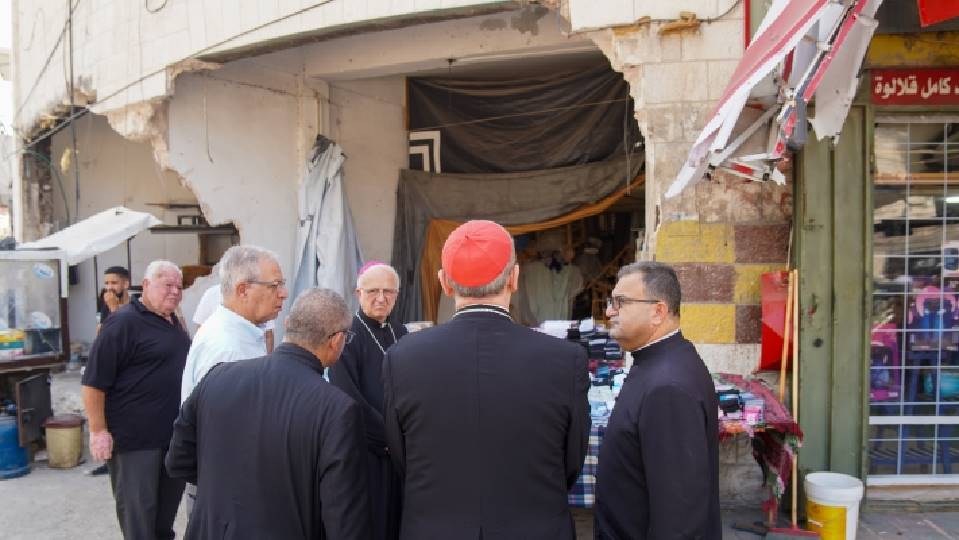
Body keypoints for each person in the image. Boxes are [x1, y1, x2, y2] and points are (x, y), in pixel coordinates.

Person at [382, 219, 590, 539]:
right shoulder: (564, 359)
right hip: (535, 527)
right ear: (514, 278)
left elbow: (401, 457)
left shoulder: (402, 358)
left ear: (445, 283)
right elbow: (571, 460)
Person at [165, 289, 371, 540]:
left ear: (288, 324)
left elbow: (178, 460)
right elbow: (344, 517)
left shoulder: (218, 376)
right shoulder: (337, 409)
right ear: (337, 341)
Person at [593, 262, 721, 540]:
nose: (609, 312)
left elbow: (679, 516)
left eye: (620, 302)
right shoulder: (656, 361)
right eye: (610, 302)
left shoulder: (668, 386)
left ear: (658, 312)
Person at [81, 260, 190, 540]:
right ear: (147, 285)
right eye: (168, 285)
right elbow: (93, 383)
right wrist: (98, 431)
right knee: (139, 521)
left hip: (170, 438)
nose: (175, 291)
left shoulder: (173, 321)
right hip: (135, 442)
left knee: (163, 523)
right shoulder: (123, 322)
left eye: (179, 287)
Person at [179, 245, 288, 511]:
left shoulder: (243, 333)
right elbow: (227, 436)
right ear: (242, 290)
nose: (283, 293)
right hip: (228, 489)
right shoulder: (228, 348)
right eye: (274, 286)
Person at [329, 261, 407, 540]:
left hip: (399, 449)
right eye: (373, 291)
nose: (381, 298)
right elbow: (347, 395)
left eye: (389, 291)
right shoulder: (347, 336)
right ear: (358, 293)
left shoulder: (401, 332)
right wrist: (388, 438)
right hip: (368, 449)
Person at [97, 266, 131, 331]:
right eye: (106, 283)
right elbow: (100, 331)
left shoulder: (135, 306)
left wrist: (113, 309)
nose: (109, 287)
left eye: (114, 283)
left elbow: (121, 330)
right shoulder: (105, 302)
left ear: (126, 284)